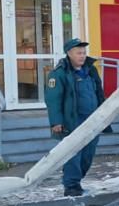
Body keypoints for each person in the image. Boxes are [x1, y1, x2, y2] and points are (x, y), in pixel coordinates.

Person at [45, 38, 105, 196]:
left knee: (88, 154)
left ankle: (76, 180)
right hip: (73, 120)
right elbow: (53, 99)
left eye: (84, 52)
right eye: (79, 53)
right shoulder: (59, 73)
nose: (82, 56)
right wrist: (56, 122)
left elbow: (99, 93)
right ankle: (71, 186)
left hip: (92, 119)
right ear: (69, 54)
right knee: (73, 154)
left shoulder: (91, 70)